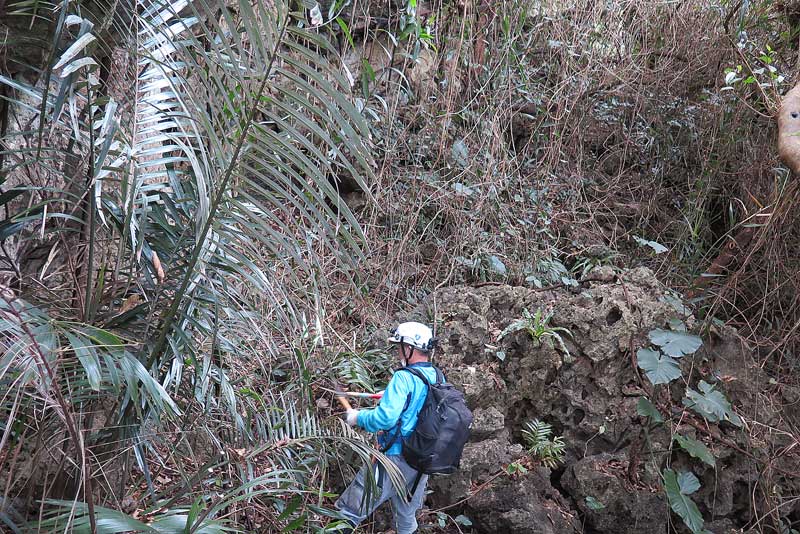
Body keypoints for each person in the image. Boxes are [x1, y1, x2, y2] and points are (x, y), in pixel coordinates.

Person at [335, 321, 441, 534]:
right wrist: (394, 397)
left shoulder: (403, 377)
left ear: (409, 347)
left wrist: (358, 417)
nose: (397, 351)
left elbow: (385, 418)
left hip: (394, 460)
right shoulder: (437, 375)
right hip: (421, 463)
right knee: (406, 516)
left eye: (399, 347)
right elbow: (421, 406)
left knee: (348, 510)